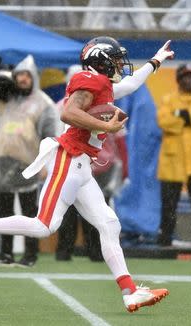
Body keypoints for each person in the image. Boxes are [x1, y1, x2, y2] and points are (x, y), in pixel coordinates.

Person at [0, 36, 174, 312]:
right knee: (44, 226)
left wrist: (156, 61)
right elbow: (68, 113)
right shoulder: (92, 81)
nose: (118, 64)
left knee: (109, 224)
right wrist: (109, 128)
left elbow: (130, 84)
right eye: (114, 59)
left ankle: (129, 291)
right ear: (99, 61)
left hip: (81, 166)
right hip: (69, 160)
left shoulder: (101, 84)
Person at [0, 55, 59, 267]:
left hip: (28, 165)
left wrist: (47, 165)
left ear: (33, 77)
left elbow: (52, 136)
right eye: (19, 75)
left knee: (29, 215)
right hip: (1, 163)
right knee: (4, 214)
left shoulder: (43, 103)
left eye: (27, 75)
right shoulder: (5, 99)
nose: (22, 79)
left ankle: (30, 255)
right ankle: (5, 253)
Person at [55, 65, 128, 262]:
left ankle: (96, 252)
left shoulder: (106, 103)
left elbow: (119, 139)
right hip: (75, 160)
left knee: (101, 215)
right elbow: (57, 134)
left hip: (101, 165)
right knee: (61, 215)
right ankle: (65, 250)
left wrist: (154, 62)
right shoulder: (62, 107)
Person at [156, 63, 191, 250]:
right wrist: (190, 120)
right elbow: (164, 121)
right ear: (179, 79)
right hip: (173, 161)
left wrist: (181, 115)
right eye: (187, 76)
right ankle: (165, 242)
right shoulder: (168, 99)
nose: (190, 80)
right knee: (169, 206)